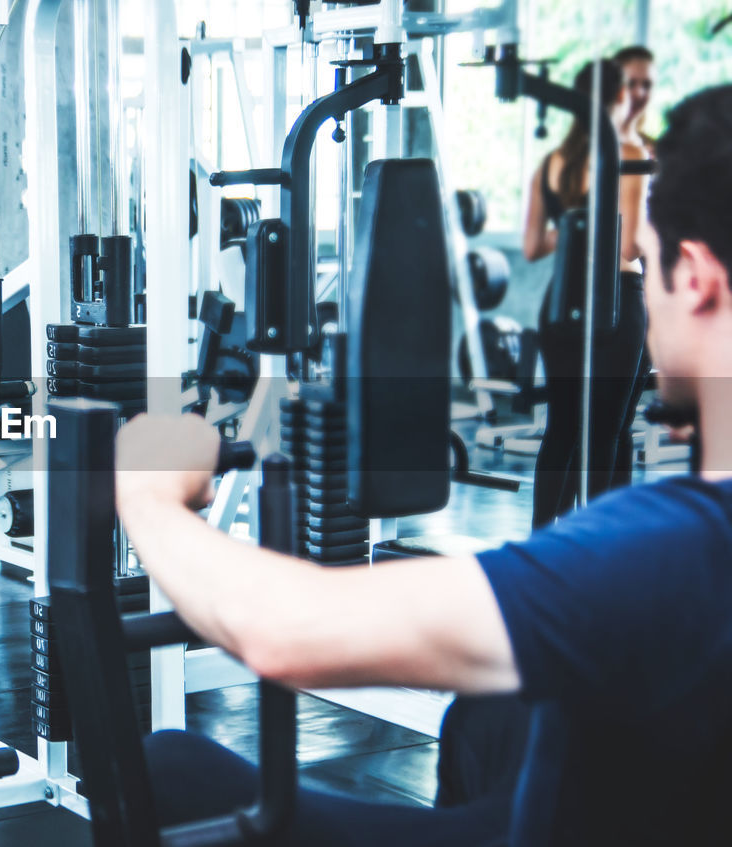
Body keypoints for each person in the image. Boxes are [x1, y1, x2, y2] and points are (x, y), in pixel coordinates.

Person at [114, 84, 732, 846]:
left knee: (168, 768)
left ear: (697, 278)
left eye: (648, 263)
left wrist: (145, 495)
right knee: (494, 715)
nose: (642, 287)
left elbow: (281, 632)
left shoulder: (676, 548)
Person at [523, 60, 649, 528]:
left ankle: (544, 543)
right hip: (616, 298)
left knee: (561, 430)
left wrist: (574, 229)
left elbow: (533, 246)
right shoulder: (627, 154)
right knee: (606, 435)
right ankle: (600, 549)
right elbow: (631, 244)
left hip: (563, 301)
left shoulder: (553, 163)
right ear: (617, 99)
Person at [613, 45, 656, 153]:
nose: (639, 94)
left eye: (647, 85)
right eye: (630, 84)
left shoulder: (656, 150)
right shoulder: (587, 148)